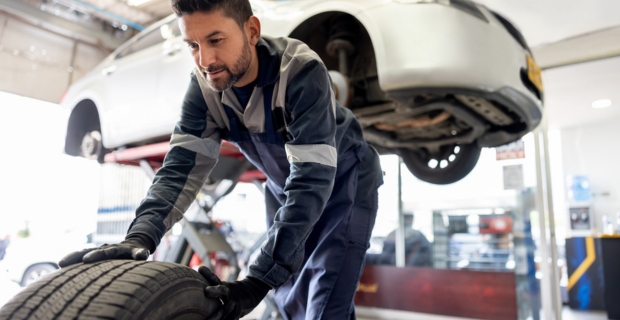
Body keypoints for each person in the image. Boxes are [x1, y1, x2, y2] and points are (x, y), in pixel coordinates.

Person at [59, 0, 383, 319]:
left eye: (216, 40)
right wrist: (140, 235)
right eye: (193, 45)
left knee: (325, 301)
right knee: (290, 300)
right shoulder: (204, 89)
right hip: (285, 187)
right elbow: (179, 170)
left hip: (346, 182)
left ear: (252, 31)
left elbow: (312, 178)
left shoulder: (299, 71)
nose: (205, 60)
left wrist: (256, 280)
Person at [366, 213, 432, 267]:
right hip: (412, 270)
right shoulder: (418, 234)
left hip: (390, 270)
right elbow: (427, 253)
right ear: (411, 219)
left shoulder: (392, 233)